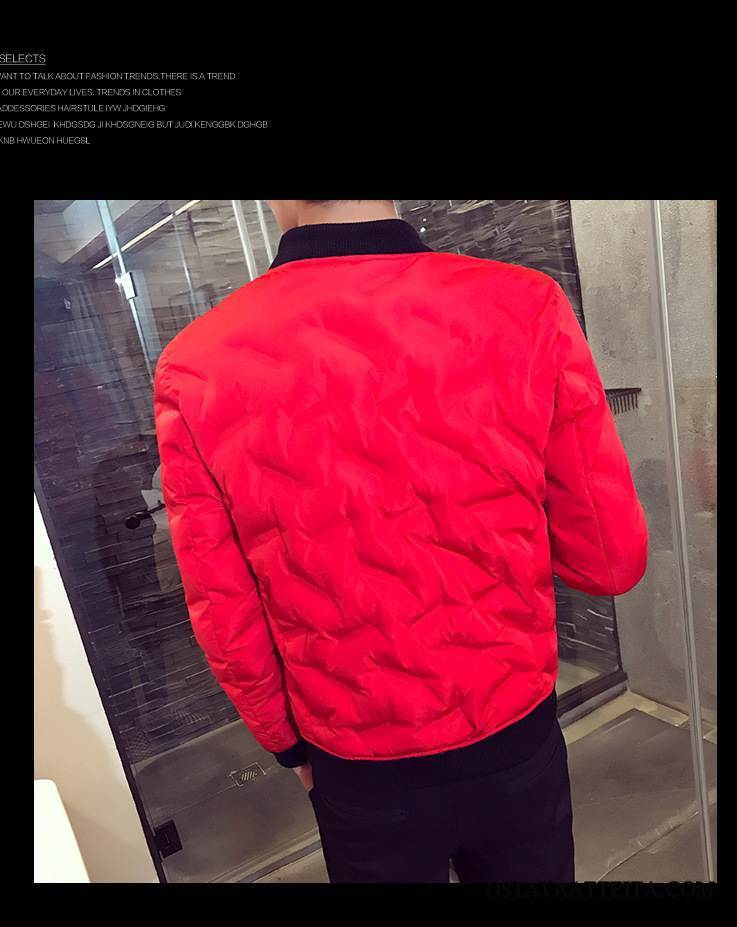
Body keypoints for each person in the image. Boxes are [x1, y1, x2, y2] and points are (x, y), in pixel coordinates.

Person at [153, 199, 648, 883]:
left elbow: (222, 606)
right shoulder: (525, 305)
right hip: (513, 733)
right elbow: (610, 560)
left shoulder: (195, 364)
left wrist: (286, 743)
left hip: (357, 766)